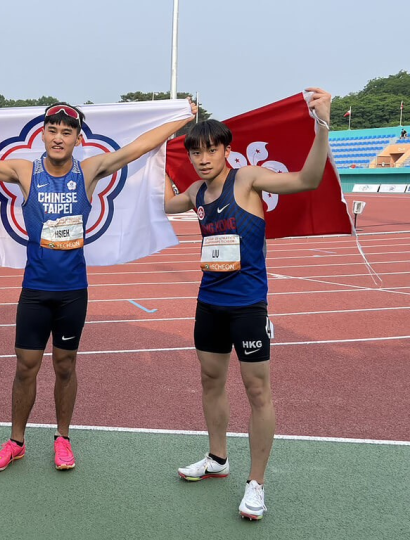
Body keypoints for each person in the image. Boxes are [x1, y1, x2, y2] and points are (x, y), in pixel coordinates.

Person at [0, 101, 196, 472]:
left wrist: (183, 117)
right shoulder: (25, 171)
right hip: (35, 289)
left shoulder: (88, 171)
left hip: (72, 292)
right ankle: (16, 441)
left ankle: (63, 438)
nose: (58, 137)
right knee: (25, 367)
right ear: (43, 134)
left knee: (65, 366)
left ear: (77, 139)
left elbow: (139, 147)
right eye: (52, 130)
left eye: (67, 132)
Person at [164, 88, 332, 520]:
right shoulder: (197, 194)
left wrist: (323, 124)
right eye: (196, 152)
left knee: (258, 391)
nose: (203, 158)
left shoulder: (248, 179)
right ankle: (217, 459)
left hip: (248, 306)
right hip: (209, 303)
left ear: (226, 150)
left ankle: (256, 483)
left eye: (211, 149)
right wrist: (154, 144)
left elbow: (306, 180)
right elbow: (165, 202)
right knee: (210, 380)